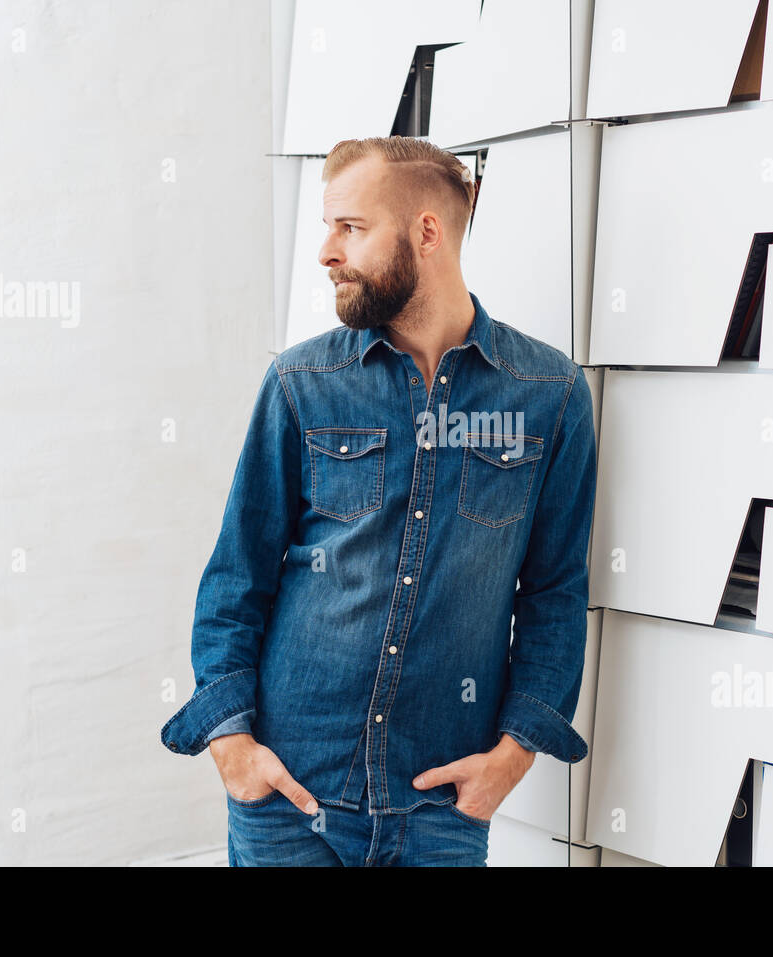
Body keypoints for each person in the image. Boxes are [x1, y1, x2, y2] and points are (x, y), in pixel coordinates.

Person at [160, 135, 598, 866]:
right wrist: (232, 745)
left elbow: (554, 593)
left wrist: (511, 758)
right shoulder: (301, 383)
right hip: (291, 803)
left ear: (427, 232)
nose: (327, 252)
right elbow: (237, 576)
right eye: (327, 227)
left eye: (351, 228)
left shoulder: (548, 396)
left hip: (440, 813)